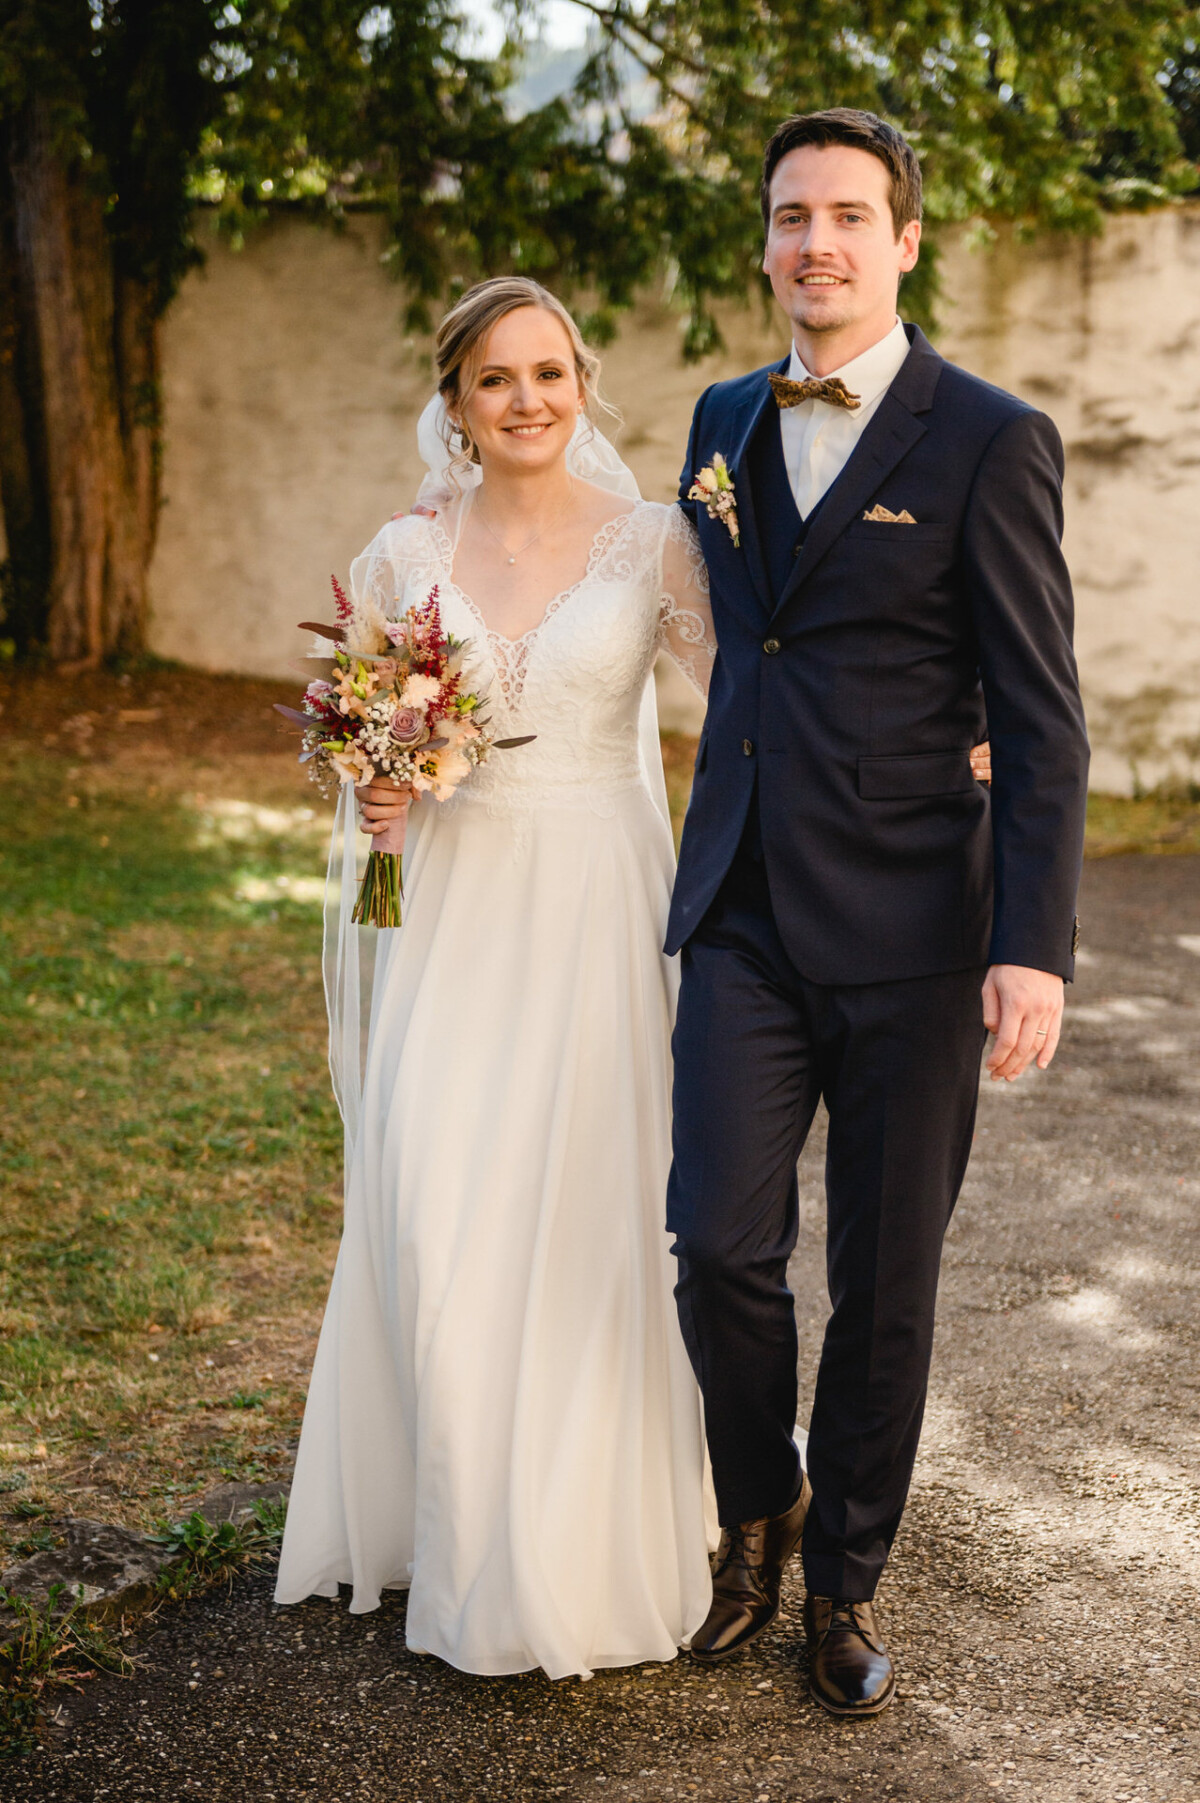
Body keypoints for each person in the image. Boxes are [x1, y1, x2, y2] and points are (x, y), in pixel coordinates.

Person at [666, 109, 1089, 1716]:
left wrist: (1030, 946)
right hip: (746, 912)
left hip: (920, 926)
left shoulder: (992, 435)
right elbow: (735, 640)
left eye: (849, 214)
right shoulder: (719, 417)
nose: (815, 244)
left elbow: (1042, 714)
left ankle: (841, 1581)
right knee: (716, 1242)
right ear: (766, 240)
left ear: (906, 239)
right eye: (791, 217)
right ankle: (755, 1511)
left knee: (888, 1282)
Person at [273, 276, 723, 1680]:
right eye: (495, 380)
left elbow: (757, 697)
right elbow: (353, 742)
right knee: (441, 1202)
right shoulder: (408, 554)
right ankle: (458, 1529)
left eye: (549, 372)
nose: (527, 399)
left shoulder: (659, 543)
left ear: (582, 383)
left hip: (597, 905)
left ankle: (574, 1541)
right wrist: (378, 790)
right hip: (454, 915)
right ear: (457, 406)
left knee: (588, 1208)